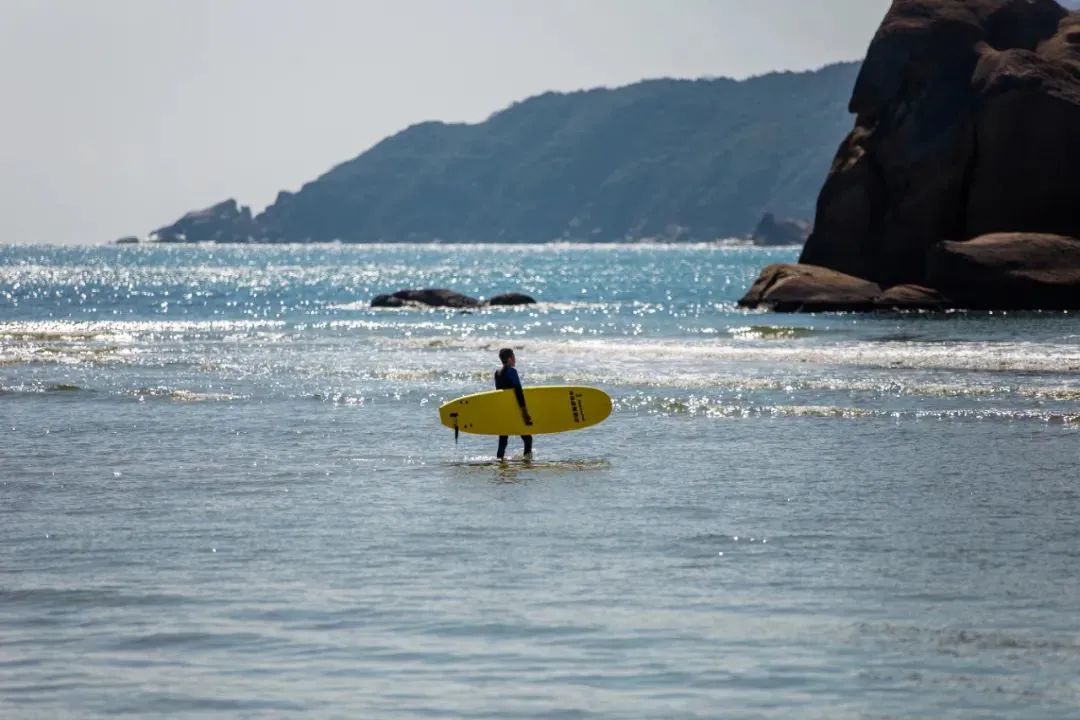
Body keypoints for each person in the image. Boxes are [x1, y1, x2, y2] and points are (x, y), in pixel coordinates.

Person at [495, 348, 533, 460]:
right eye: (514, 357)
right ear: (510, 358)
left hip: (504, 411)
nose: (515, 359)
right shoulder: (512, 371)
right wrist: (524, 411)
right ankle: (527, 462)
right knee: (528, 439)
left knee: (503, 441)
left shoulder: (497, 373)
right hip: (514, 411)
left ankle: (499, 462)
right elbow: (518, 391)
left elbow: (499, 394)